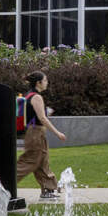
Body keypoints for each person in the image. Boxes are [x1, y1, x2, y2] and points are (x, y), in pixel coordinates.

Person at [16, 70, 66, 200]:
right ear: (38, 83)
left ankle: (48, 190)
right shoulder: (36, 97)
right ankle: (4, 182)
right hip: (36, 133)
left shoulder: (29, 95)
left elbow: (35, 115)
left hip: (34, 132)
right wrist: (57, 133)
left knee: (42, 161)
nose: (47, 83)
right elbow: (42, 119)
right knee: (30, 161)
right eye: (45, 80)